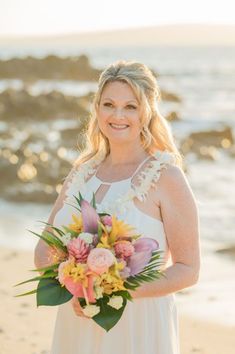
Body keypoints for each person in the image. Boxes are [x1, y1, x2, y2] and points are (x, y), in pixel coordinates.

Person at [34, 60, 200, 354]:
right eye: (109, 104)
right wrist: (77, 283)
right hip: (78, 321)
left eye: (131, 106)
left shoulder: (166, 177)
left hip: (138, 326)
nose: (118, 115)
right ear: (97, 109)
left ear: (147, 113)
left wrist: (110, 290)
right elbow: (43, 252)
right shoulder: (81, 173)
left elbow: (188, 269)